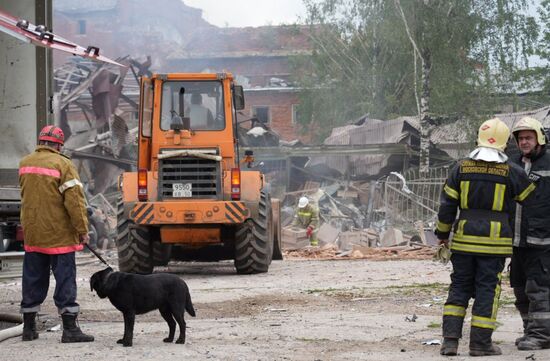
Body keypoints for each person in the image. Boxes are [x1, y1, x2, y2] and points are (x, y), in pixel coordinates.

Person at [435, 118, 535, 357]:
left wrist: (442, 235)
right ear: (504, 144)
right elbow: (530, 199)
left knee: (458, 287)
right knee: (486, 291)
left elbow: (447, 206)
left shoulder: (460, 168)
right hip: (495, 244)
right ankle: (480, 344)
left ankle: (450, 342)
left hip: (463, 241)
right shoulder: (512, 171)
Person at [18, 125, 94, 343]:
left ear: (41, 142)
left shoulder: (25, 163)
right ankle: (70, 329)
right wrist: (82, 230)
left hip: (33, 232)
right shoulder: (63, 164)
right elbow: (75, 203)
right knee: (65, 279)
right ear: (59, 145)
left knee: (32, 279)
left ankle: (29, 329)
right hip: (59, 234)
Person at [509, 116, 550, 351]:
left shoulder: (548, 162)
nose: (524, 142)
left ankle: (542, 335)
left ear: (539, 139)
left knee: (539, 288)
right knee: (519, 286)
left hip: (542, 241)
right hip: (517, 240)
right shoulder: (512, 162)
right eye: (520, 138)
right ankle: (530, 331)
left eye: (528, 137)